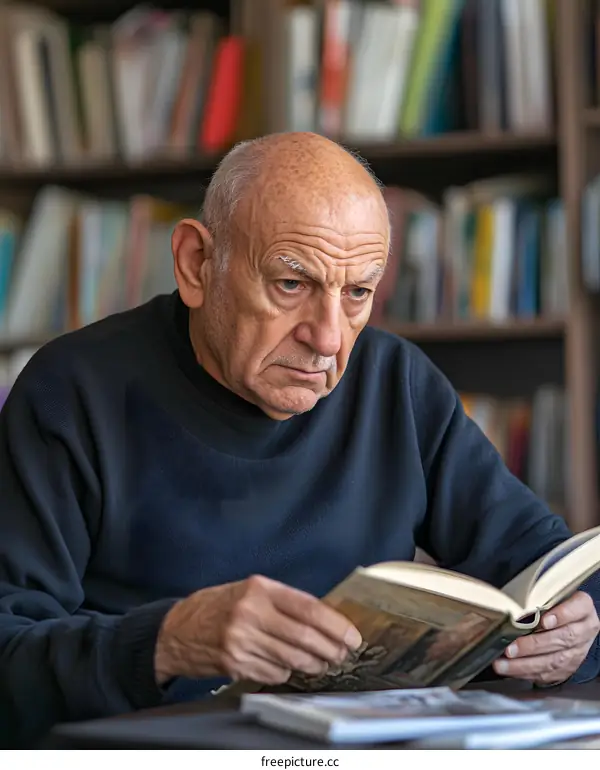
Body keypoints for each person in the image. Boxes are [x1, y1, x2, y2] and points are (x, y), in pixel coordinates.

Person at [0, 132, 598, 747]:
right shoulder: (72, 392)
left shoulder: (395, 383)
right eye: (292, 284)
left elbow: (548, 567)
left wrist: (582, 631)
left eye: (358, 293)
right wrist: (168, 641)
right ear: (196, 265)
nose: (330, 338)